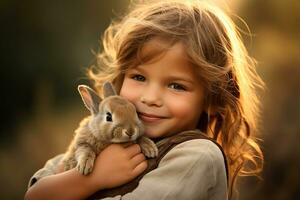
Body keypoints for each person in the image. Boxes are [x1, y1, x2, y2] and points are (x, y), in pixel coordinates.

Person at [25, 0, 264, 199]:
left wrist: (83, 184)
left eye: (176, 86)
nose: (150, 98)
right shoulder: (109, 141)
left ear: (212, 100)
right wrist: (91, 177)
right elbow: (35, 194)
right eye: (139, 77)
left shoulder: (197, 157)